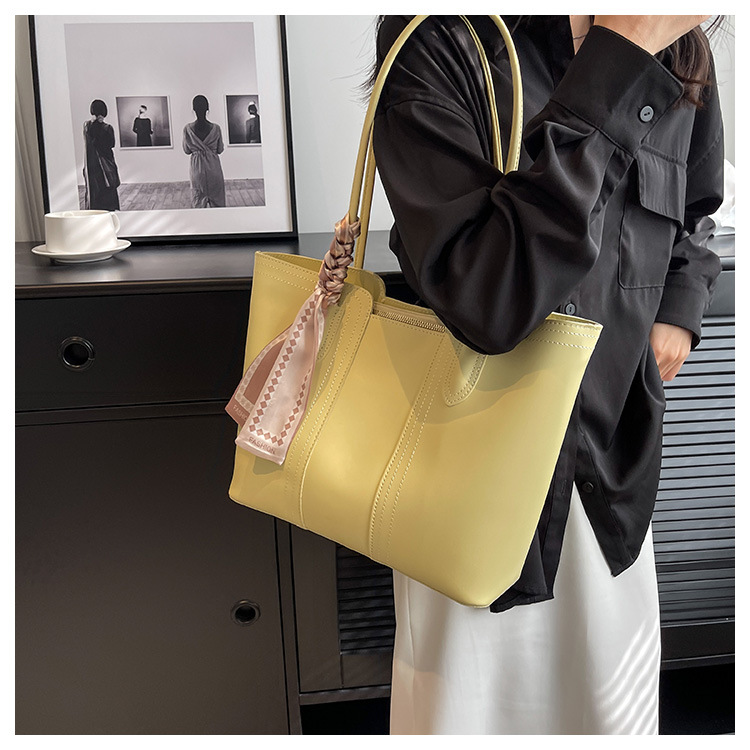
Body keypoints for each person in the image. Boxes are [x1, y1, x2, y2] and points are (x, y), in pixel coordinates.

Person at [369, 15, 725, 735]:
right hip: (468, 470)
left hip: (613, 455)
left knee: (611, 710)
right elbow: (488, 296)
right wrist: (617, 62)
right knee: (465, 712)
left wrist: (680, 307)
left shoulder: (680, 41)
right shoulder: (441, 40)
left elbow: (694, 204)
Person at [182, 95, 226, 208]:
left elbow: (186, 150)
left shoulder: (187, 129)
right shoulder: (216, 128)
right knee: (218, 205)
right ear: (207, 108)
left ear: (194, 109)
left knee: (198, 204)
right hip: (214, 169)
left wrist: (197, 148)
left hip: (197, 170)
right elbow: (220, 149)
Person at [82, 99, 120, 211]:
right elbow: (111, 144)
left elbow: (91, 139)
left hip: (92, 166)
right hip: (105, 164)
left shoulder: (86, 126)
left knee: (94, 191)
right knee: (108, 190)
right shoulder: (108, 128)